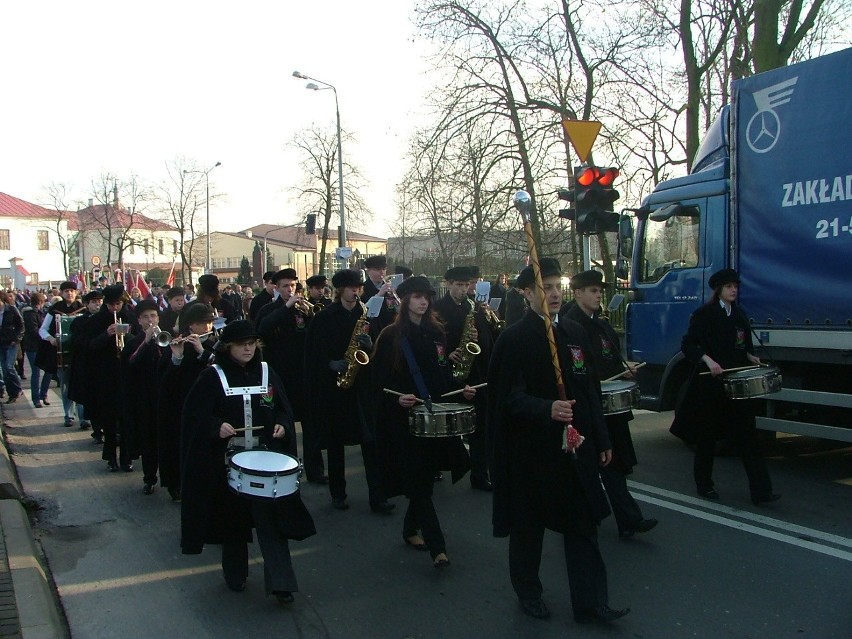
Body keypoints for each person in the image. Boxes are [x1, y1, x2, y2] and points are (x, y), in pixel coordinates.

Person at [488, 258, 629, 624]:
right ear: (526, 292)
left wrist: (600, 437)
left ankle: (590, 602)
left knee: (583, 525)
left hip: (575, 448)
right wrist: (546, 408)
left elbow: (590, 391)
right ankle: (529, 593)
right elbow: (507, 399)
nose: (553, 293)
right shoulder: (514, 338)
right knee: (528, 529)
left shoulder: (573, 333)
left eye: (556, 286)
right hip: (532, 453)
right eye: (544, 287)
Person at [180, 320, 316, 604]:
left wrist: (282, 425)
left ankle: (281, 583)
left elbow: (283, 409)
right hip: (227, 465)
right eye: (242, 344)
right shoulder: (212, 377)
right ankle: (235, 573)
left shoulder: (267, 373)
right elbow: (193, 417)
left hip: (266, 463)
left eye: (252, 343)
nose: (248, 348)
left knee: (272, 523)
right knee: (233, 523)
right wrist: (215, 426)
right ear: (228, 347)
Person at [371, 276, 476, 568]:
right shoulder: (391, 336)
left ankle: (409, 529)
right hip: (403, 420)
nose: (423, 302)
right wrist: (397, 400)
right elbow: (376, 385)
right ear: (405, 301)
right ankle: (437, 547)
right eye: (417, 297)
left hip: (433, 417)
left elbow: (441, 378)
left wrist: (462, 388)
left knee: (425, 478)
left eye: (426, 297)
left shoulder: (436, 334)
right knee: (418, 479)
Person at [563, 270, 658, 539]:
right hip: (586, 407)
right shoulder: (570, 326)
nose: (598, 295)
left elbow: (610, 359)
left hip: (609, 407)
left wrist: (623, 369)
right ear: (578, 292)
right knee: (582, 469)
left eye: (599, 291)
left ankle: (629, 519)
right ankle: (578, 520)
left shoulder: (602, 324)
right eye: (592, 290)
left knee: (613, 463)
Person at [673, 268, 780, 505]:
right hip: (711, 387)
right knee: (707, 437)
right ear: (718, 289)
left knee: (749, 437)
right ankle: (704, 485)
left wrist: (751, 358)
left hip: (737, 387)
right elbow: (689, 344)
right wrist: (708, 361)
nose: (734, 290)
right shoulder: (704, 314)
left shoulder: (739, 315)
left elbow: (742, 347)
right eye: (729, 286)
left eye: (736, 286)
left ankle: (762, 492)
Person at [304, 269, 393, 513]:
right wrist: (329, 364)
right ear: (340, 290)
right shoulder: (324, 317)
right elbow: (312, 352)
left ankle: (378, 495)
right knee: (336, 444)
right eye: (352, 287)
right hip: (336, 387)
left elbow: (377, 348)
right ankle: (338, 493)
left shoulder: (365, 314)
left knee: (370, 442)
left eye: (358, 288)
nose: (356, 291)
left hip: (362, 386)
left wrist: (370, 344)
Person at [433, 266, 492, 491]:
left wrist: (480, 336)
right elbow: (431, 339)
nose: (463, 289)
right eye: (458, 285)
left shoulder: (474, 308)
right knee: (445, 425)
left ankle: (479, 474)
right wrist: (447, 354)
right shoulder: (437, 309)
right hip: (449, 374)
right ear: (448, 284)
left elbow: (488, 340)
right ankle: (436, 465)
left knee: (480, 426)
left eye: (466, 285)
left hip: (474, 373)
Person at [157, 303, 216, 501]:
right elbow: (166, 384)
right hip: (180, 405)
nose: (207, 327)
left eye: (209, 322)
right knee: (178, 445)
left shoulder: (214, 344)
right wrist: (177, 358)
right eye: (203, 323)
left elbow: (222, 369)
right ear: (191, 326)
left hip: (207, 404)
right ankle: (176, 483)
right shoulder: (178, 344)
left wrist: (202, 351)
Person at [83, 285, 137, 471]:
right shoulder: (96, 321)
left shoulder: (130, 317)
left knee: (126, 419)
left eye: (118, 304)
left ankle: (126, 457)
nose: (115, 308)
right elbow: (89, 347)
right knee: (109, 420)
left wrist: (126, 335)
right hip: (105, 376)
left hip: (126, 374)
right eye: (112, 304)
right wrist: (107, 334)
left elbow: (138, 343)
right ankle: (111, 457)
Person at [257, 269, 312, 429]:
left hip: (301, 370)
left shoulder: (303, 309)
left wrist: (310, 315)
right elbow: (262, 329)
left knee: (307, 417)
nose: (290, 289)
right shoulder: (268, 309)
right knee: (282, 417)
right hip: (279, 370)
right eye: (285, 286)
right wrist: (286, 306)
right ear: (277, 288)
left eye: (293, 285)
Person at [121, 300, 163, 494]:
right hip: (144, 399)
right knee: (149, 442)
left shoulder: (166, 337)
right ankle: (149, 478)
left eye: (153, 316)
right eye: (145, 317)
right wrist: (146, 342)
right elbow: (131, 364)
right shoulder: (133, 342)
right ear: (138, 320)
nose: (150, 320)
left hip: (164, 397)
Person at [36, 281, 84, 425]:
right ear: (62, 293)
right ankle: (68, 416)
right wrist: (50, 338)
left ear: (76, 293)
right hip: (61, 354)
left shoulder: (82, 309)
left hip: (79, 354)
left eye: (72, 291)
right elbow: (42, 329)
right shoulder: (55, 310)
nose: (70, 293)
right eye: (66, 291)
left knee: (81, 385)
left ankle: (83, 418)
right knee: (65, 386)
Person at [67, 290, 103, 437]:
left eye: (100, 301)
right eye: (94, 302)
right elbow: (75, 342)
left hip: (103, 366)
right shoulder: (79, 321)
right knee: (90, 399)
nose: (98, 304)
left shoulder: (106, 319)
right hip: (88, 365)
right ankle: (95, 428)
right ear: (87, 304)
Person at [21, 293, 51, 407]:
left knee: (47, 371)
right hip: (34, 346)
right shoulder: (31, 314)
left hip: (38, 345)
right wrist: (45, 336)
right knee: (36, 372)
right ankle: (37, 398)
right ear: (40, 303)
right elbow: (34, 330)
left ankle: (42, 395)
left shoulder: (39, 313)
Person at [361, 255, 399, 334]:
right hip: (372, 331)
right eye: (377, 269)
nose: (382, 272)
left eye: (384, 269)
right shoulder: (362, 289)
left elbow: (394, 310)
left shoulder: (390, 288)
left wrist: (396, 298)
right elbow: (367, 313)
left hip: (389, 329)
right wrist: (380, 294)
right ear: (368, 271)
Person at [0, 292, 25, 404]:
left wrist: (17, 339)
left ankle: (18, 388)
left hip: (11, 342)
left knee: (9, 366)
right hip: (1, 343)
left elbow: (21, 325)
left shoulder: (11, 309)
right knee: (5, 370)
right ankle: (12, 394)